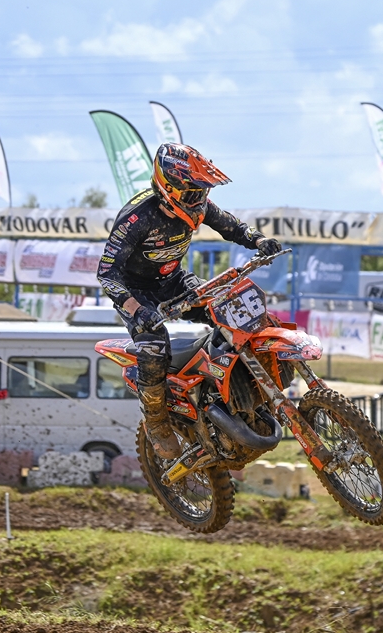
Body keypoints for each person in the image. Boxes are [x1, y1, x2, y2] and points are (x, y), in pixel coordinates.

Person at [97, 143, 282, 459]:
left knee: (230, 310)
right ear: (169, 188)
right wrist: (136, 310)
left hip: (173, 281)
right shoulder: (137, 217)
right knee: (154, 346)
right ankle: (157, 423)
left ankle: (237, 390)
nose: (200, 200)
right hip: (136, 293)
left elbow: (232, 226)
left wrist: (259, 240)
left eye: (202, 192)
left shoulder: (198, 204)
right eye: (193, 192)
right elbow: (107, 273)